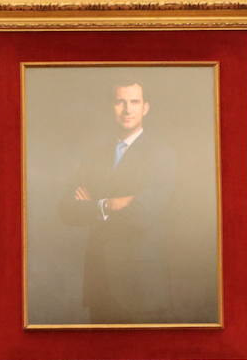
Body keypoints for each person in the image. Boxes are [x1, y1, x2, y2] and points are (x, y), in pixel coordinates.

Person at [59, 80, 179, 324]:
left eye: (134, 102)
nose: (127, 109)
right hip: (99, 283)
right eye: (120, 101)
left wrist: (93, 205)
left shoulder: (161, 155)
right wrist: (110, 204)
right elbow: (66, 209)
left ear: (146, 107)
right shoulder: (95, 155)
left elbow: (143, 213)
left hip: (140, 285)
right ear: (110, 106)